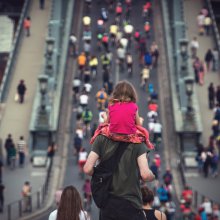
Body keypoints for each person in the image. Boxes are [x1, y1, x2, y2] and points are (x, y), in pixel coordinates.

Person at [84, 82, 155, 220]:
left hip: (108, 206)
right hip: (131, 206)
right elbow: (145, 175)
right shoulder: (138, 143)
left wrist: (99, 173)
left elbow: (87, 169)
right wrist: (152, 176)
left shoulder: (101, 139)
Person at [91, 81, 154, 150]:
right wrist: (141, 120)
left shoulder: (111, 105)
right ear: (132, 94)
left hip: (113, 135)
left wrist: (105, 117)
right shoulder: (134, 106)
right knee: (144, 133)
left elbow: (106, 123)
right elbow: (138, 125)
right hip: (129, 136)